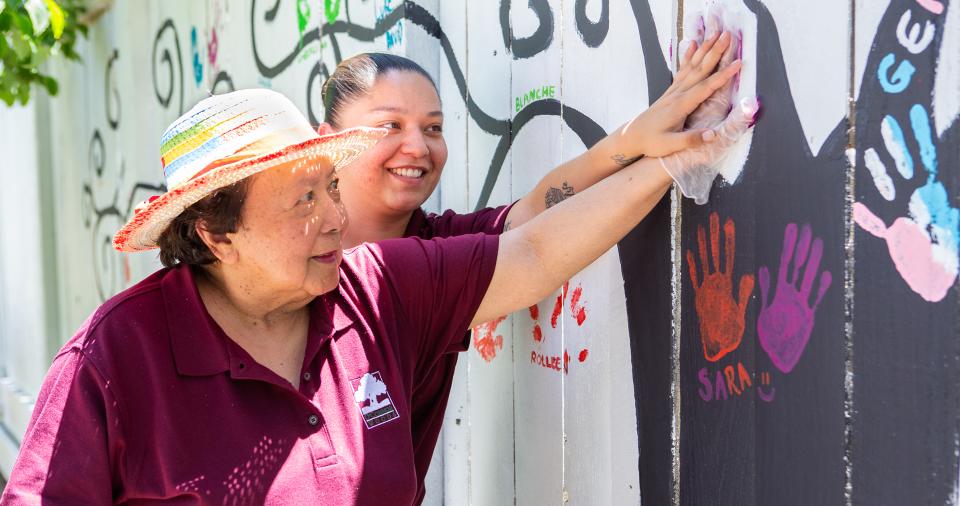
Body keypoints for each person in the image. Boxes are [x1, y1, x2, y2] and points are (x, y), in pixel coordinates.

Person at [1, 38, 753, 506]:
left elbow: (533, 248)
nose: (333, 218)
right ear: (213, 231)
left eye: (331, 188)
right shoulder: (111, 364)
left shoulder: (379, 283)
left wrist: (667, 160)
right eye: (303, 200)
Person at [317, 27, 747, 501]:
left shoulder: (437, 250)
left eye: (434, 127)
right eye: (389, 126)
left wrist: (644, 140)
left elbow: (540, 217)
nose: (418, 147)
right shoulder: (289, 254)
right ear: (327, 143)